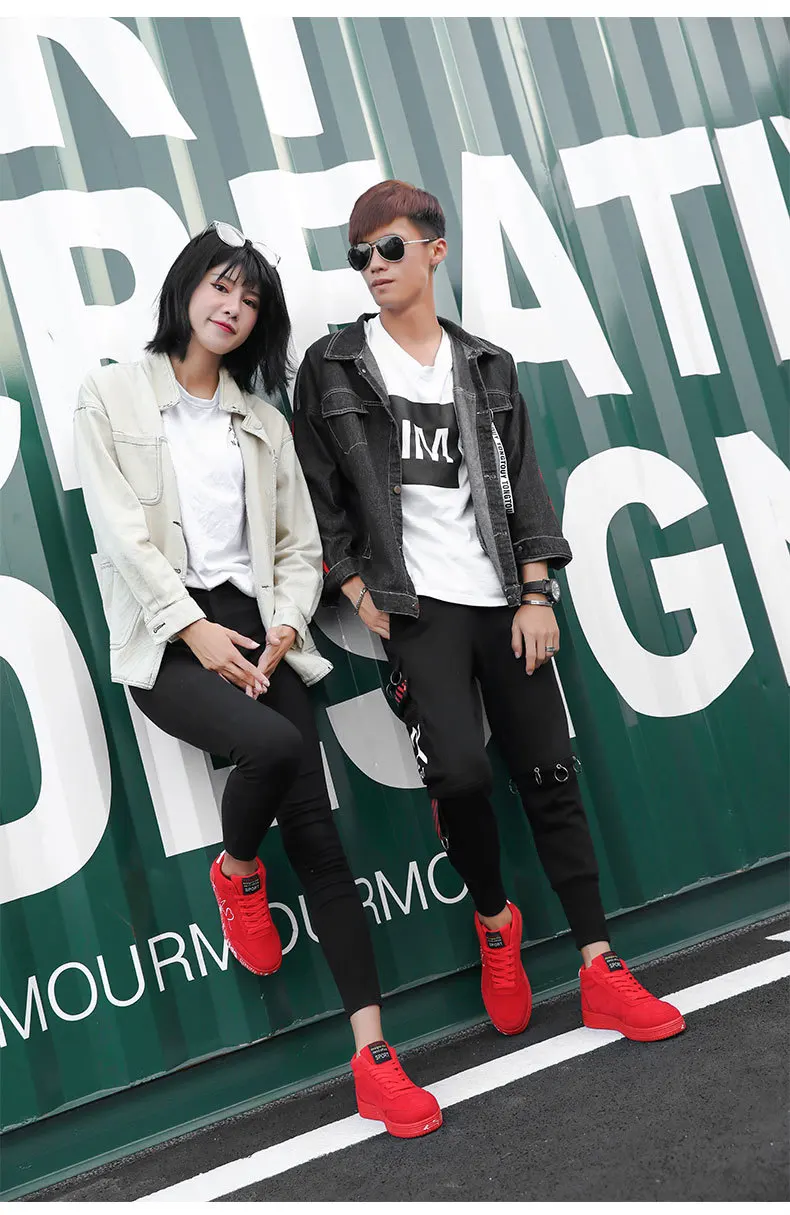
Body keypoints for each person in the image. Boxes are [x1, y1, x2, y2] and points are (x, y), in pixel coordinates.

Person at [293, 181, 686, 1044]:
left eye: (389, 248)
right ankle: (495, 919)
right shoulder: (331, 367)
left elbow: (527, 491)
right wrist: (354, 589)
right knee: (462, 776)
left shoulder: (487, 364)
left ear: (435, 251)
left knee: (550, 773)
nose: (373, 266)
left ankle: (599, 967)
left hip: (504, 598)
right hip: (417, 608)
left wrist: (537, 593)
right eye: (359, 255)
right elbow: (318, 495)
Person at [73, 221, 442, 1139]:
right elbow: (120, 534)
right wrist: (192, 629)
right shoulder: (111, 396)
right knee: (272, 748)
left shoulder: (264, 423)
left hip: (260, 628)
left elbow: (296, 547)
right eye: (220, 286)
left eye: (249, 298)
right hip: (168, 638)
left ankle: (374, 1058)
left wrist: (284, 623)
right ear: (185, 288)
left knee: (320, 839)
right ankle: (237, 871)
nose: (232, 307)